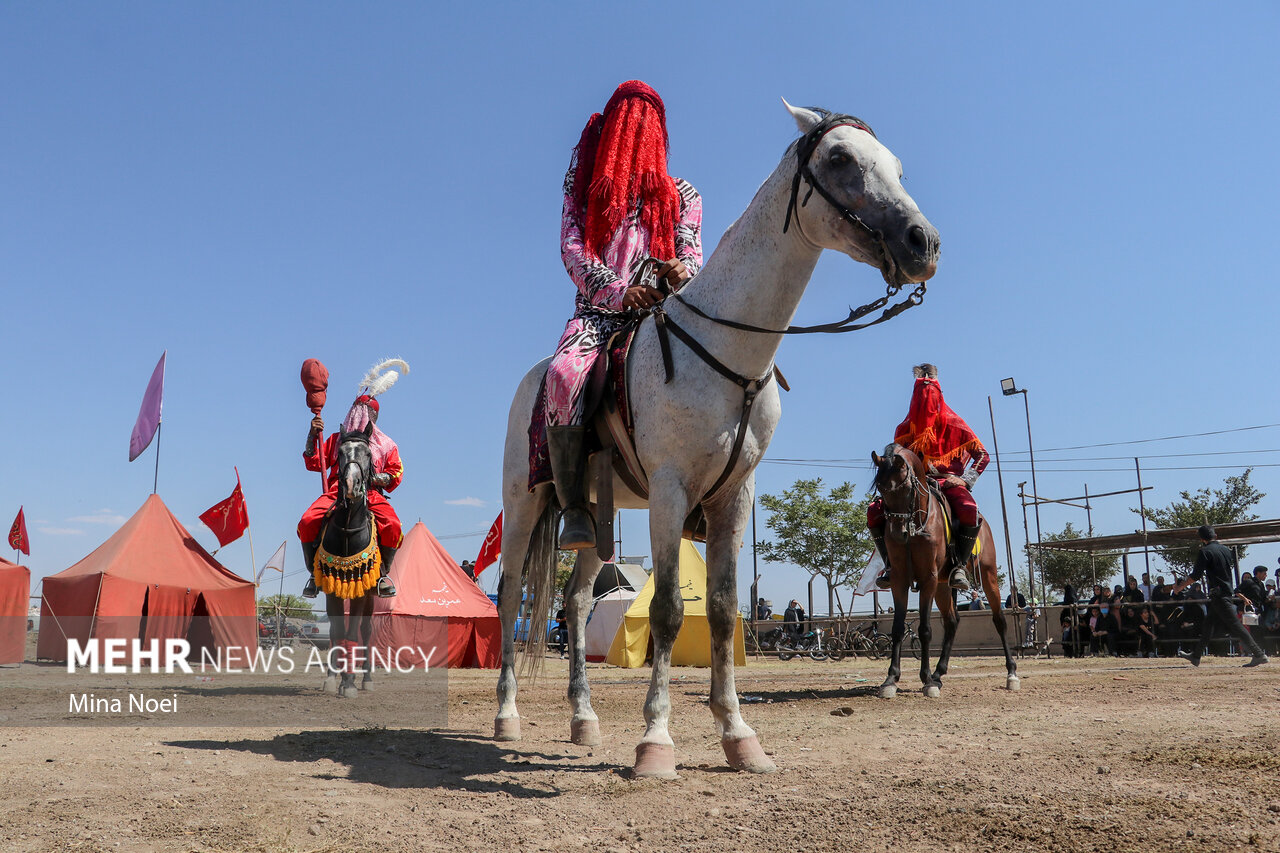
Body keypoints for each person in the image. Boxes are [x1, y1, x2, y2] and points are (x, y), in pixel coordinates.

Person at [543, 80, 703, 550]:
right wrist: (615, 290)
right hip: (598, 317)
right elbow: (571, 248)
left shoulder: (685, 194)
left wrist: (682, 269)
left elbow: (692, 249)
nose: (636, 130)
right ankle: (574, 507)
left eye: (647, 121)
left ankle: (699, 498)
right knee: (562, 375)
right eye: (627, 119)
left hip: (661, 315)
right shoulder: (584, 187)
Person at [868, 364, 990, 591]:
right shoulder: (903, 428)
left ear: (939, 395)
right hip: (912, 486)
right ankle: (890, 566)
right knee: (874, 511)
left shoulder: (957, 424)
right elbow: (897, 463)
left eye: (929, 395)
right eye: (920, 395)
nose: (925, 401)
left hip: (948, 481)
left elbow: (983, 455)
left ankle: (959, 566)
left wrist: (965, 480)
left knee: (968, 509)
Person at [298, 361, 408, 599]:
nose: (360, 417)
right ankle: (313, 575)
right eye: (357, 411)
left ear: (374, 416)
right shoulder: (337, 438)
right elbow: (313, 461)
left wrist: (373, 477)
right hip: (336, 490)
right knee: (307, 522)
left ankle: (382, 574)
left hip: (370, 493)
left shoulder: (387, 444)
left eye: (366, 413)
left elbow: (396, 472)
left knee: (394, 527)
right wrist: (311, 433)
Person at [1169, 525, 1268, 667]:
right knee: (1208, 625)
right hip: (1225, 591)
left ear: (1202, 539)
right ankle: (1196, 656)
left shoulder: (1205, 551)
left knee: (1235, 625)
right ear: (1215, 535)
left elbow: (1195, 575)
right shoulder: (1226, 551)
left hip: (1218, 594)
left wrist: (1179, 587)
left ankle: (1259, 654)